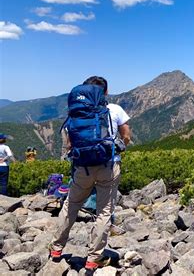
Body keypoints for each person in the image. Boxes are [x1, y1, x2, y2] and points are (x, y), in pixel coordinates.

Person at [49, 76, 131, 271]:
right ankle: (94, 258)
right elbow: (126, 135)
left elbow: (70, 144)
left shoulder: (76, 114)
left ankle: (56, 248)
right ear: (106, 92)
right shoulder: (115, 109)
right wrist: (119, 147)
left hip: (82, 168)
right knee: (103, 211)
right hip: (108, 166)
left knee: (71, 205)